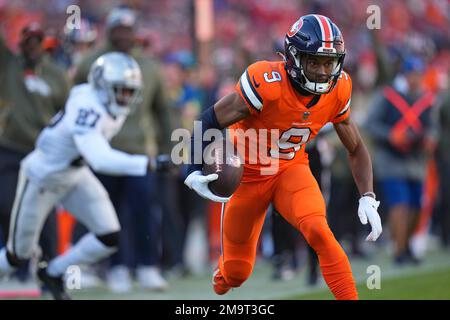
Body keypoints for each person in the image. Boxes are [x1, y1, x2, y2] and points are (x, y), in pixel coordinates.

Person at [184, 14, 382, 300]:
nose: (323, 71)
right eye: (314, 61)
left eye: (329, 62)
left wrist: (368, 196)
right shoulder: (267, 83)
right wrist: (192, 168)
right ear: (293, 58)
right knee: (238, 273)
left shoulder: (339, 89)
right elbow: (210, 118)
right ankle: (224, 275)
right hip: (246, 177)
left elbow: (356, 148)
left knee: (318, 230)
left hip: (291, 170)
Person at [0, 52, 169, 300]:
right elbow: (100, 158)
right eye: (122, 90)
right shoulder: (87, 106)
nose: (126, 97)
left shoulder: (109, 105)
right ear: (103, 87)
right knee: (18, 255)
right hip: (43, 178)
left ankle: (54, 272)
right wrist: (148, 163)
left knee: (108, 235)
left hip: (75, 174)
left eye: (130, 91)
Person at [73, 6, 172, 292]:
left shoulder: (150, 67)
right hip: (103, 151)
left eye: (128, 30)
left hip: (140, 152)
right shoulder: (92, 62)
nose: (123, 36)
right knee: (108, 213)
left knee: (144, 211)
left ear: (135, 32)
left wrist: (172, 148)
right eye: (118, 29)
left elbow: (163, 111)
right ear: (109, 30)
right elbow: (76, 100)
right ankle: (117, 267)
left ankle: (147, 266)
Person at [0, 23, 69, 274]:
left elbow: (68, 113)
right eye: (28, 40)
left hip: (44, 152)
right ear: (20, 43)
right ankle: (18, 264)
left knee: (46, 210)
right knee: (8, 205)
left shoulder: (57, 75)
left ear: (45, 44)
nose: (32, 45)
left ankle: (50, 268)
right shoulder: (9, 66)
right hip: (11, 147)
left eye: (37, 40)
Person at [366, 56, 436, 265]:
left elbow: (432, 126)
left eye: (418, 75)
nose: (416, 79)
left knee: (416, 206)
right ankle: (398, 251)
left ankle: (406, 244)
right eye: (412, 74)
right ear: (404, 75)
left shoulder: (426, 98)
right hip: (391, 159)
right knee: (400, 205)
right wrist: (390, 136)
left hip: (415, 160)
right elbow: (371, 124)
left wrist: (431, 137)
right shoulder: (387, 96)